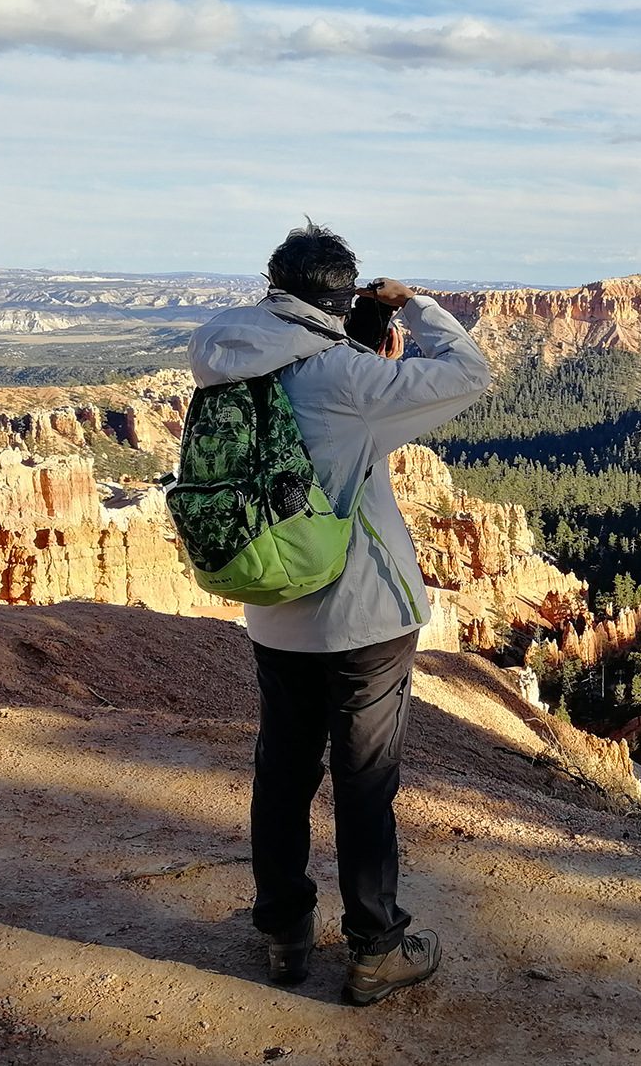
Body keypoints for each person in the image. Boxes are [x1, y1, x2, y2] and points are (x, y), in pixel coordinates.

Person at [186, 221, 491, 1005]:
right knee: (363, 780)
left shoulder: (225, 362)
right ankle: (375, 947)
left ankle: (284, 931)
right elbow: (468, 372)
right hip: (362, 620)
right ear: (341, 292)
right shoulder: (346, 378)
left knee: (282, 772)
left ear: (276, 286)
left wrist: (355, 337)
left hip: (275, 610)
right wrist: (412, 304)